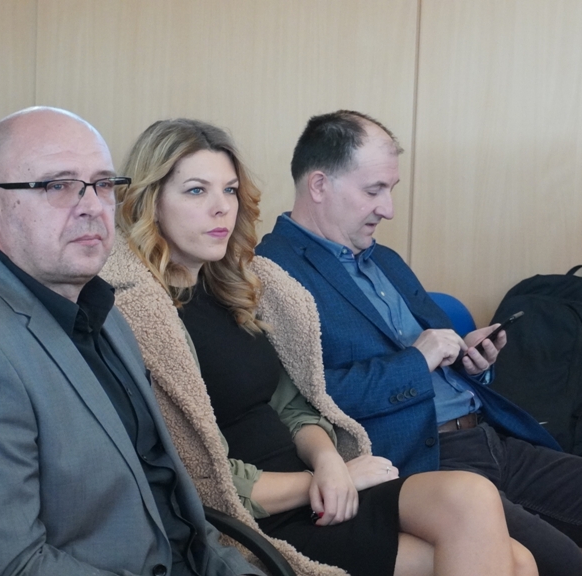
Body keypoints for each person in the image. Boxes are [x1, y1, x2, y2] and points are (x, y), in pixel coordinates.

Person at [256, 110, 582, 576]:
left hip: (486, 435)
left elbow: (439, 351)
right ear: (319, 185)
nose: (388, 209)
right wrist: (417, 360)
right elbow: (309, 399)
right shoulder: (273, 273)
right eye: (374, 190)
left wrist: (471, 359)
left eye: (391, 189)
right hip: (422, 460)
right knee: (562, 564)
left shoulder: (385, 259)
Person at [102, 117, 537, 576]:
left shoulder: (237, 289)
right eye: (196, 191)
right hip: (260, 518)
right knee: (512, 561)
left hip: (321, 484)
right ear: (150, 201)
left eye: (229, 190)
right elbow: (199, 480)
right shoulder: (140, 314)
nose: (221, 208)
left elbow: (294, 406)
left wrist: (329, 460)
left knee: (486, 514)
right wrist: (325, 479)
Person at [0, 107, 261, 576]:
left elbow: (171, 501)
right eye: (58, 185)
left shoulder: (101, 307)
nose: (92, 206)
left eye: (103, 184)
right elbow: (10, 567)